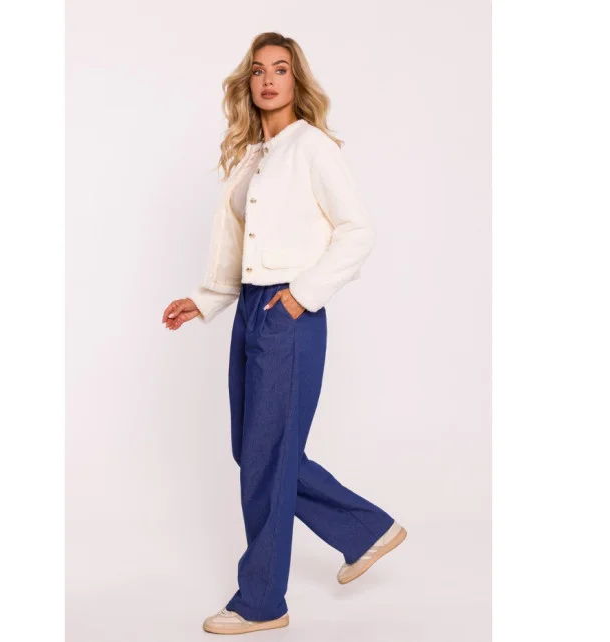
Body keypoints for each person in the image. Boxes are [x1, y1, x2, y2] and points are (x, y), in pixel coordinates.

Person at [162, 32, 407, 635]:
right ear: (247, 83)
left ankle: (262, 601)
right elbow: (242, 248)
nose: (268, 80)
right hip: (250, 309)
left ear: (297, 80)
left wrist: (301, 295)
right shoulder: (254, 155)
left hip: (289, 312)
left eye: (280, 69)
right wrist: (204, 300)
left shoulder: (312, 146)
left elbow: (358, 229)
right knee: (253, 452)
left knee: (267, 457)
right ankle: (366, 530)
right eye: (258, 71)